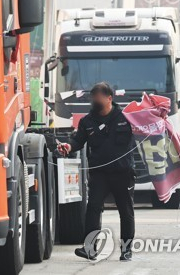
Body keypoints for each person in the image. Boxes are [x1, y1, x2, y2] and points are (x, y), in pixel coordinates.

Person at [57, 82, 136, 261]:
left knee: (126, 211)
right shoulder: (87, 121)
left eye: (99, 98)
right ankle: (90, 248)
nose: (95, 101)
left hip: (122, 173)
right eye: (93, 98)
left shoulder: (127, 117)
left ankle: (126, 250)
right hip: (100, 173)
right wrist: (68, 146)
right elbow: (78, 141)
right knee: (93, 208)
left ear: (109, 98)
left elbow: (145, 127)